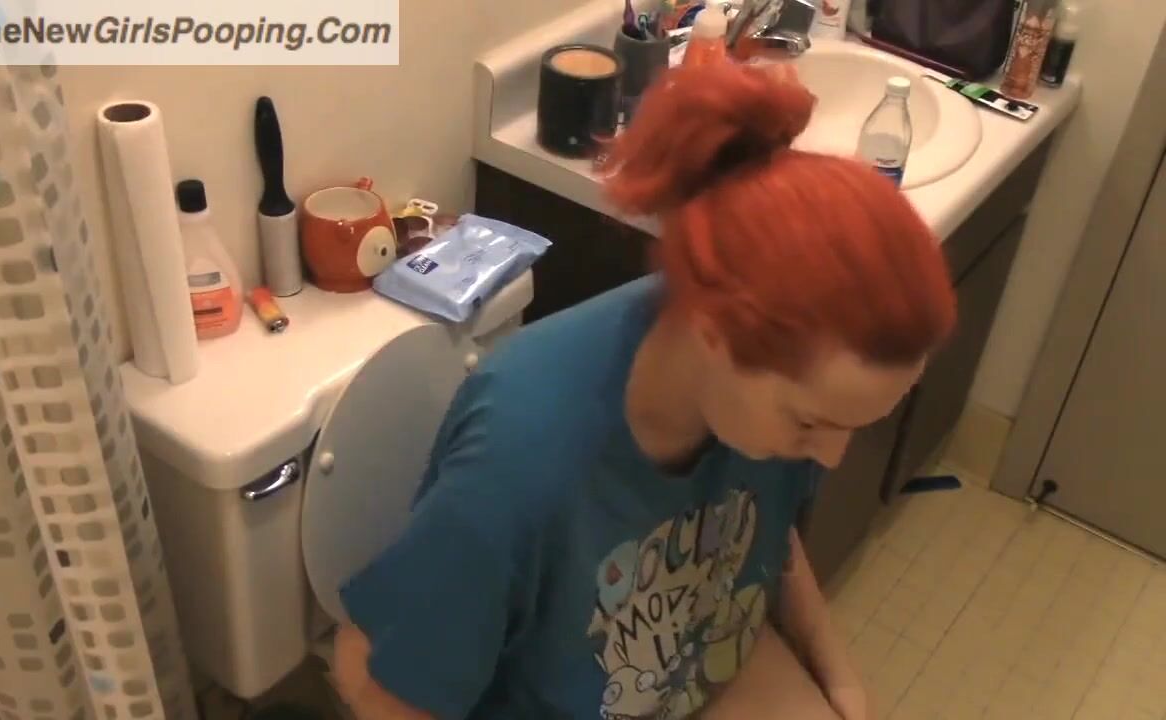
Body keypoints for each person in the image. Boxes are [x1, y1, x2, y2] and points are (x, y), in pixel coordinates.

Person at [331, 59, 956, 720]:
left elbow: (766, 535)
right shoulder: (520, 463)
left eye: (851, 426)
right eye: (810, 424)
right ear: (714, 336)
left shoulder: (780, 392)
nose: (832, 456)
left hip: (699, 661)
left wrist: (838, 675)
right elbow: (381, 679)